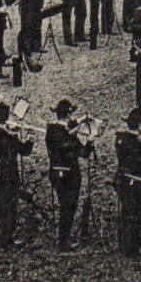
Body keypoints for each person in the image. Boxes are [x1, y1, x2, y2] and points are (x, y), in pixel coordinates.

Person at [0, 102, 34, 249]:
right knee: (8, 206)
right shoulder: (10, 137)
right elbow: (24, 151)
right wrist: (29, 139)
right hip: (7, 173)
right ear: (6, 118)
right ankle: (7, 238)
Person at [46, 98, 92, 251]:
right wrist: (88, 142)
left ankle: (64, 237)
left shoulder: (51, 130)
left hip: (55, 172)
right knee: (69, 206)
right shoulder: (66, 134)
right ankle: (63, 240)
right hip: (69, 174)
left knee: (65, 204)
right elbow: (81, 152)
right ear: (68, 115)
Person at [113, 116, 141, 256]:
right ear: (140, 125)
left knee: (126, 211)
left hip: (122, 180)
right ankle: (133, 248)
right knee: (137, 214)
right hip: (137, 182)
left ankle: (123, 245)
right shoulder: (139, 144)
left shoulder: (121, 139)